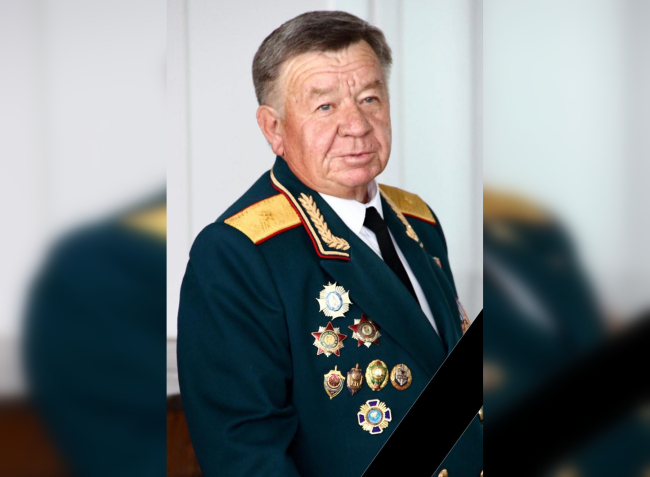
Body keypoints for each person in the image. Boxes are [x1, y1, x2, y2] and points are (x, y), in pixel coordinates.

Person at [177, 11, 482, 477]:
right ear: (274, 129)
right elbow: (247, 459)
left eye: (369, 98)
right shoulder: (238, 254)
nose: (357, 125)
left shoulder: (417, 219)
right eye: (325, 107)